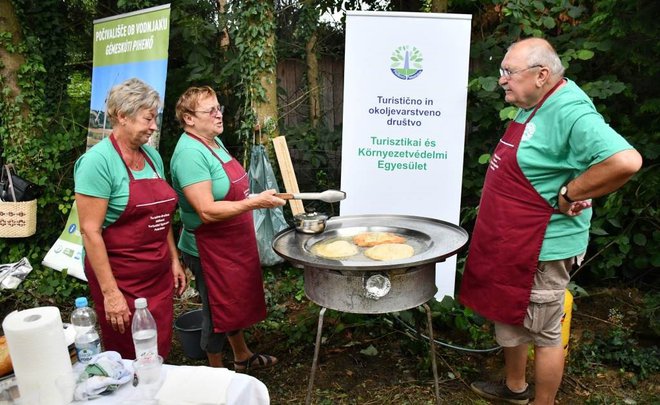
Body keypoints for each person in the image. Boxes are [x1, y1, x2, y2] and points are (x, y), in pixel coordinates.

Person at [459, 38, 642, 405]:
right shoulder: (533, 104)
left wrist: (572, 192)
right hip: (510, 240)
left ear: (542, 75)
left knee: (544, 333)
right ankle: (515, 389)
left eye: (509, 72)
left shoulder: (570, 111)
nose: (501, 80)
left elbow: (626, 161)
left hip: (541, 248)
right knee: (510, 315)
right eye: (502, 71)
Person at [170, 86, 285, 371]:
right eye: (210, 110)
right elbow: (207, 210)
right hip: (208, 247)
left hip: (232, 240)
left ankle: (242, 356)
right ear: (189, 119)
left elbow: (230, 192)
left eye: (219, 108)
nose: (219, 114)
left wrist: (256, 199)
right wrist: (255, 203)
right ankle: (216, 374)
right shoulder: (189, 154)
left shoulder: (213, 143)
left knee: (233, 303)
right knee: (217, 310)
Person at [75, 78, 187, 360]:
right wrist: (111, 294)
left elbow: (162, 215)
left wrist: (173, 260)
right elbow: (90, 231)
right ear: (122, 116)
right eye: (148, 118)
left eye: (155, 118)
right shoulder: (97, 163)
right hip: (121, 280)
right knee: (129, 355)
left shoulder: (152, 156)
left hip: (157, 276)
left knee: (159, 348)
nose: (153, 126)